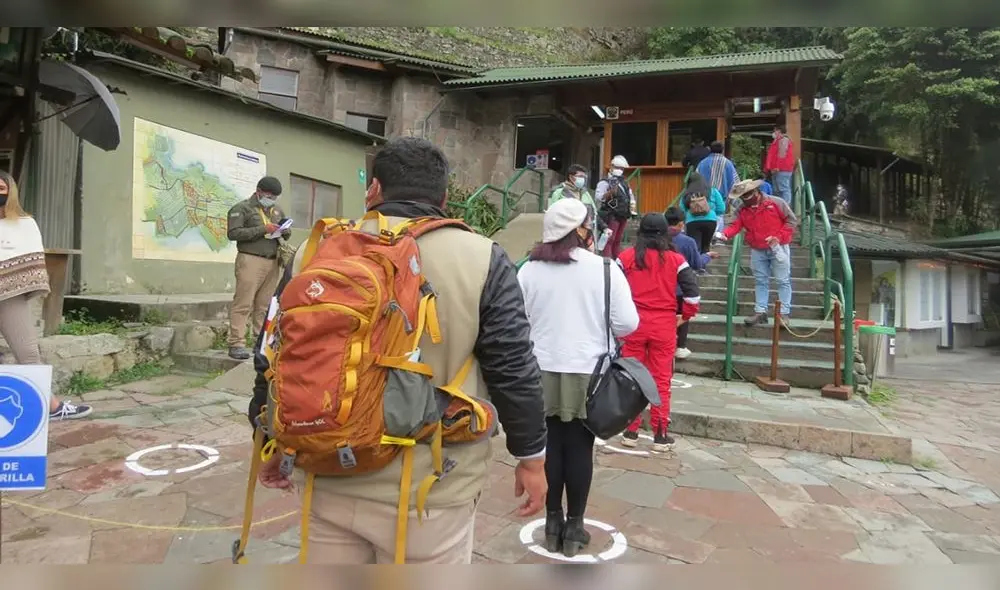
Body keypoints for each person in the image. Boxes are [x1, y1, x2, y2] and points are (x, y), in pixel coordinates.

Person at [248, 137, 547, 564]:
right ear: (443, 197)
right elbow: (513, 367)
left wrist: (269, 438)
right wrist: (531, 457)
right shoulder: (483, 258)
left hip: (326, 471)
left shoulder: (316, 252)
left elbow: (271, 355)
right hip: (429, 494)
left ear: (373, 189)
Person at [517, 198, 638, 558]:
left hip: (539, 369)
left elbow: (516, 320)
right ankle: (574, 527)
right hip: (589, 374)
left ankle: (552, 521)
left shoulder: (529, 270)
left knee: (550, 445)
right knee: (581, 448)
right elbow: (628, 324)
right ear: (581, 230)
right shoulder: (605, 269)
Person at [0, 171, 91, 420]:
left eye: (2, 188)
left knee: (28, 353)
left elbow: (30, 256)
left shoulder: (24, 224)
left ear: (11, 192)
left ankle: (51, 407)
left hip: (9, 296)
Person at [618, 213, 700, 451]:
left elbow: (611, 289)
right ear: (666, 233)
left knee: (631, 377)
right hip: (664, 324)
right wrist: (685, 316)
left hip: (633, 323)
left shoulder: (626, 257)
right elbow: (693, 294)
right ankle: (660, 434)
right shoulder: (676, 259)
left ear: (640, 232)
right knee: (661, 380)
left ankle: (630, 431)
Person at [225, 176, 291, 360]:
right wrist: (263, 229)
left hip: (272, 261)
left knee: (264, 305)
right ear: (259, 191)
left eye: (275, 197)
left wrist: (285, 230)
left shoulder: (276, 210)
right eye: (269, 196)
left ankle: (259, 342)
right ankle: (236, 343)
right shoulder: (242, 208)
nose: (272, 200)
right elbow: (233, 233)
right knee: (243, 302)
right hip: (250, 259)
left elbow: (284, 234)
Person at [717, 179, 798, 326]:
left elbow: (791, 221)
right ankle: (761, 311)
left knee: (783, 280)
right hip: (757, 248)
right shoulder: (742, 209)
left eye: (747, 195)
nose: (745, 199)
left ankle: (784, 314)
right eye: (742, 196)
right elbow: (735, 225)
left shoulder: (776, 202)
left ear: (756, 192)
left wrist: (778, 237)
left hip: (778, 246)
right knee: (761, 280)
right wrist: (725, 234)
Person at [664, 207, 717, 359]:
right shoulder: (688, 242)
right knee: (682, 317)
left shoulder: (657, 240)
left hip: (661, 288)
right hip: (681, 288)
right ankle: (680, 346)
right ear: (681, 223)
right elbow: (697, 264)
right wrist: (707, 256)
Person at [594, 155, 636, 259]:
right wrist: (610, 193)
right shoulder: (605, 182)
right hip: (611, 214)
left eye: (622, 168)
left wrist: (632, 209)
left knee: (617, 240)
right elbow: (598, 197)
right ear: (612, 166)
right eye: (617, 167)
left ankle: (617, 260)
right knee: (609, 239)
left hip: (623, 214)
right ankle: (607, 260)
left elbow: (630, 196)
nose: (619, 170)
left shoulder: (624, 183)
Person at [696, 141, 740, 233]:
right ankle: (718, 236)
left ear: (710, 150)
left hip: (705, 198)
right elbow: (736, 182)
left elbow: (696, 179)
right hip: (722, 198)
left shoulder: (702, 163)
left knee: (705, 217)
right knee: (719, 218)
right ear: (722, 150)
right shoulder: (728, 163)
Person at [550, 164, 600, 245]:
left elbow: (594, 212)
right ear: (571, 177)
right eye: (580, 176)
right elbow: (552, 216)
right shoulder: (559, 193)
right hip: (566, 235)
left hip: (585, 236)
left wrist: (604, 227)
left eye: (584, 177)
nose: (583, 179)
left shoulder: (585, 193)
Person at [678, 172, 726, 254]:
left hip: (692, 222)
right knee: (706, 247)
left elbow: (681, 210)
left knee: (695, 247)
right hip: (710, 221)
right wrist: (712, 212)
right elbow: (721, 209)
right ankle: (704, 261)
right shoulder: (713, 191)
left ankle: (695, 261)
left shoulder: (686, 194)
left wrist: (688, 215)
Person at [766, 125, 795, 206]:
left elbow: (782, 155)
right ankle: (780, 206)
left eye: (774, 131)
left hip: (782, 169)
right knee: (778, 190)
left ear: (779, 131)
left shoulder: (783, 140)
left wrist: (777, 167)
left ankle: (785, 206)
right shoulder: (778, 141)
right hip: (778, 169)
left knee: (783, 189)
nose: (773, 132)